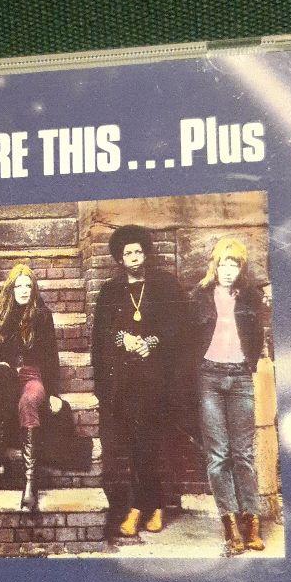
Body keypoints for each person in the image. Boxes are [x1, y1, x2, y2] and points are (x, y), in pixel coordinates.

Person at [93, 225, 186, 538]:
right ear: (120, 259)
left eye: (137, 251)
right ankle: (148, 504)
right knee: (134, 444)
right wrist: (123, 339)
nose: (133, 257)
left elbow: (179, 328)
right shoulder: (110, 291)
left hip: (158, 381)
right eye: (127, 253)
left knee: (154, 442)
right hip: (125, 383)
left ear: (145, 254)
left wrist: (152, 342)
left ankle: (146, 507)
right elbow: (102, 334)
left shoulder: (165, 285)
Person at [189, 237, 267, 556]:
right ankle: (230, 525)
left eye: (234, 264)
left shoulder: (250, 297)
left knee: (243, 454)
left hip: (240, 377)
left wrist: (249, 364)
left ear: (241, 268)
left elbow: (257, 336)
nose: (228, 270)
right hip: (209, 376)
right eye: (224, 263)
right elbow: (189, 339)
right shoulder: (200, 296)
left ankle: (252, 521)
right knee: (218, 455)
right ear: (215, 266)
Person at [0, 263, 62, 511]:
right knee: (0, 390)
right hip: (5, 378)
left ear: (33, 289)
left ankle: (30, 484)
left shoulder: (42, 316)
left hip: (32, 376)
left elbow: (51, 357)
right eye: (19, 286)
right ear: (11, 289)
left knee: (28, 401)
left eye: (28, 286)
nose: (24, 290)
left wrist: (54, 393)